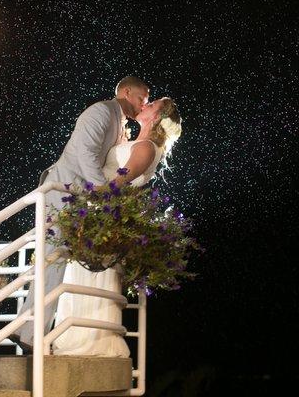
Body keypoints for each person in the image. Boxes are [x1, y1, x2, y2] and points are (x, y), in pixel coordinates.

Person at [10, 76, 150, 351]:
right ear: (126, 91)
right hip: (63, 189)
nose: (143, 105)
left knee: (57, 262)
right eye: (141, 99)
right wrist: (100, 190)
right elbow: (86, 152)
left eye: (146, 101)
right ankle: (27, 333)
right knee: (53, 259)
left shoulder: (121, 124)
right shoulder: (101, 111)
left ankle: (29, 332)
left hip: (79, 198)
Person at [52, 97, 183, 357]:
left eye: (153, 103)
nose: (147, 104)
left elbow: (118, 185)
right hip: (95, 215)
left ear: (157, 117)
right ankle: (69, 340)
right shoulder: (138, 141)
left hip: (102, 219)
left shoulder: (147, 147)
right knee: (77, 277)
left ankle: (89, 345)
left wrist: (89, 195)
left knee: (91, 278)